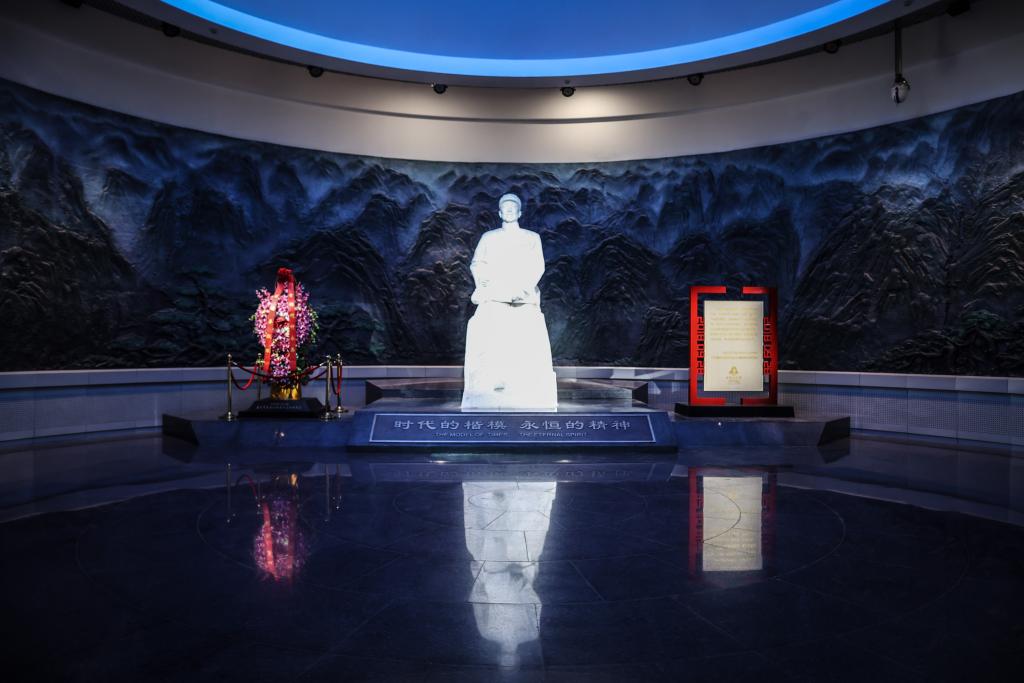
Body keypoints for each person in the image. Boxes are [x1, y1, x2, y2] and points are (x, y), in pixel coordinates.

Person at [461, 193, 557, 411]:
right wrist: (486, 281)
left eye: (513, 208)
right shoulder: (489, 238)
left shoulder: (531, 238)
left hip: (523, 297)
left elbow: (537, 266)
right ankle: (493, 380)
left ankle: (525, 382)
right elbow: (477, 263)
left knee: (524, 337)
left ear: (520, 212)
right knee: (490, 333)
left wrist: (522, 290)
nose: (510, 211)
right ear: (500, 212)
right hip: (495, 295)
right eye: (506, 208)